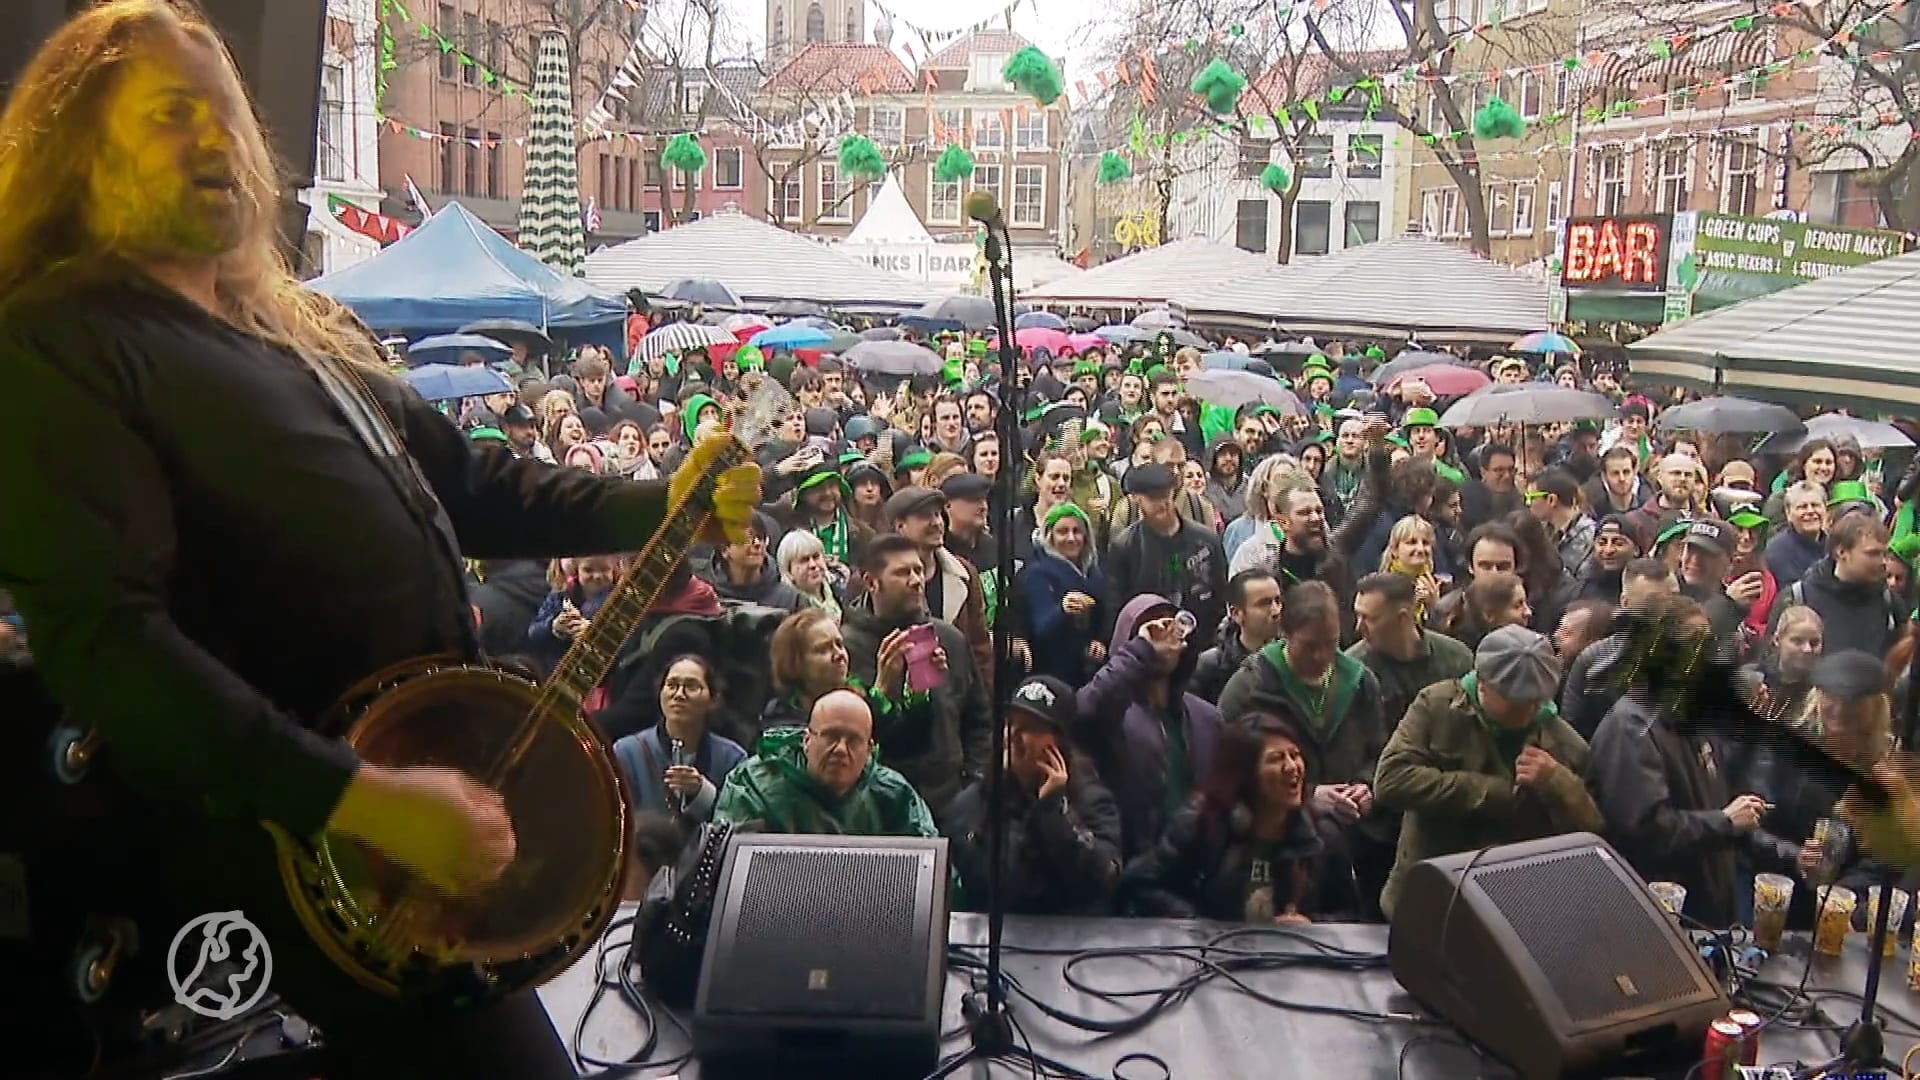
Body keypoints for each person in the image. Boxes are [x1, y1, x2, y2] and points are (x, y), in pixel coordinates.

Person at [0, 5, 762, 1076]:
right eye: (173, 114)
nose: (217, 139)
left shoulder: (296, 339)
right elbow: (106, 644)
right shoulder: (57, 345)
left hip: (403, 872)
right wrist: (354, 799)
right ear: (81, 147)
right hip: (268, 901)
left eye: (226, 116)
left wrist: (660, 501)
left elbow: (476, 485)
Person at [1373, 626, 1604, 918]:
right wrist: (1492, 791)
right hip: (1431, 895)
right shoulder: (1438, 706)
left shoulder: (1562, 741)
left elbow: (1592, 832)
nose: (1529, 710)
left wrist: (1556, 782)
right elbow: (1391, 780)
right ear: (1483, 683)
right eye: (1516, 699)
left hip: (1513, 906)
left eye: (1536, 699)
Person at [1118, 711, 1361, 922]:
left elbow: (1350, 913)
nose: (1292, 767)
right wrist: (1197, 922)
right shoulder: (1201, 824)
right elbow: (1140, 884)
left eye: (1295, 755)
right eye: (1276, 759)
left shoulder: (1323, 835)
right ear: (1244, 773)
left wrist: (1311, 925)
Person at [942, 676, 1124, 915]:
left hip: (1069, 941)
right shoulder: (974, 803)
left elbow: (1105, 877)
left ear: (1059, 742)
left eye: (1030, 727)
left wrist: (1052, 813)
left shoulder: (1091, 801)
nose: (1013, 735)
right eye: (1011, 723)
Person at [713, 689, 938, 837]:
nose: (841, 749)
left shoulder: (893, 794)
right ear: (807, 740)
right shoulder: (753, 784)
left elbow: (931, 869)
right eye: (831, 736)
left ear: (870, 749)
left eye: (853, 740)